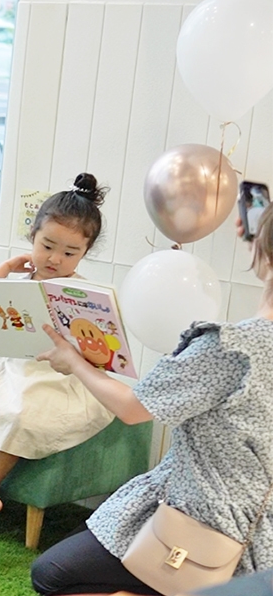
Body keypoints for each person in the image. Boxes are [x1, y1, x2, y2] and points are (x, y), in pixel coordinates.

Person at [29, 212, 273, 595]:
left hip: (204, 518)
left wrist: (74, 361)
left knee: (52, 574)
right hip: (263, 540)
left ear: (262, 253)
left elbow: (132, 408)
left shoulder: (232, 349)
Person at [0, 174, 110, 539]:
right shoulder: (18, 280)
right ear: (32, 237)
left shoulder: (81, 292)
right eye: (47, 245)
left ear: (85, 253)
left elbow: (100, 347)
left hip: (59, 378)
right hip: (12, 368)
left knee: (23, 414)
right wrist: (6, 268)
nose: (55, 258)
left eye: (70, 253)